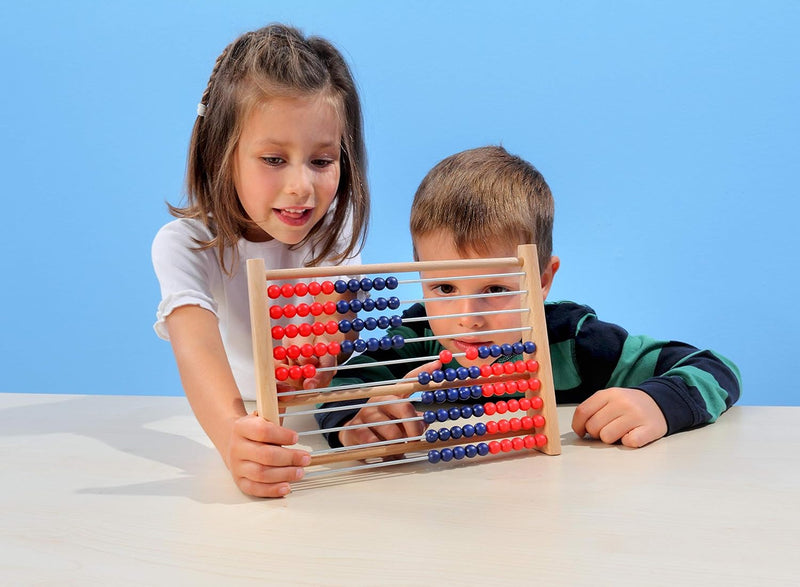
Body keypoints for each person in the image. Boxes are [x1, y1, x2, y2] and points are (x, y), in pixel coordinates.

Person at [316, 146, 741, 450]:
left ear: (541, 281)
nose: (467, 319)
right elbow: (340, 388)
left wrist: (657, 404)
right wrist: (355, 425)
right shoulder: (416, 336)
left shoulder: (573, 342)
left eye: (495, 290)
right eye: (443, 289)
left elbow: (714, 367)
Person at [152, 24, 369, 497]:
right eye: (273, 159)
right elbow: (195, 348)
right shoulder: (184, 246)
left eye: (321, 161)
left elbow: (335, 331)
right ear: (220, 155)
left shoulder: (338, 226)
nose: (301, 187)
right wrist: (233, 437)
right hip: (223, 426)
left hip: (323, 434)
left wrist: (331, 337)